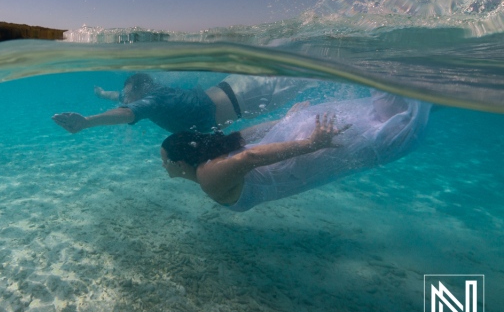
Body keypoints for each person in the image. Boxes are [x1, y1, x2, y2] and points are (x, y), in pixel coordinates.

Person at [160, 93, 430, 211]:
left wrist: (310, 144)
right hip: (310, 141)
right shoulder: (214, 157)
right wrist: (287, 123)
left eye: (165, 161)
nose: (164, 166)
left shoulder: (208, 176)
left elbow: (250, 156)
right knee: (401, 109)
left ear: (182, 162)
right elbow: (246, 136)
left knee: (399, 114)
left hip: (318, 148)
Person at [52, 72, 312, 134]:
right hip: (239, 90)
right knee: (300, 70)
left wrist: (87, 122)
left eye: (127, 94)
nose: (125, 98)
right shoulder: (151, 92)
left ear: (140, 92)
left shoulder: (152, 100)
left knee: (305, 75)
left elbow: (125, 113)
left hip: (247, 96)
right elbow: (119, 100)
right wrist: (100, 94)